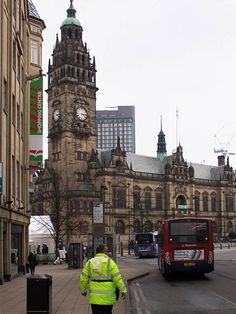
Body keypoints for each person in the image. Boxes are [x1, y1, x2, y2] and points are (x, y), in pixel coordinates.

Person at [80, 244, 127, 314]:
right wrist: (123, 290)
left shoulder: (90, 262)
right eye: (107, 251)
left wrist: (83, 291)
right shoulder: (110, 262)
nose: (108, 253)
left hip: (95, 297)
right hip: (108, 297)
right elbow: (117, 279)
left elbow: (83, 279)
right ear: (104, 252)